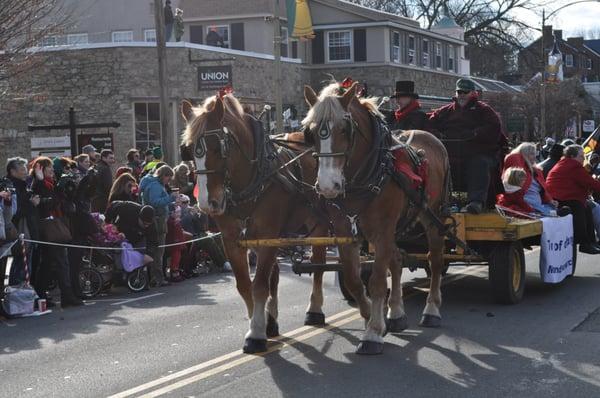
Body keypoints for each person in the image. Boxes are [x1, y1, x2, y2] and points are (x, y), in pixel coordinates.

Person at [428, 78, 507, 214]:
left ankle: (476, 202)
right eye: (459, 91)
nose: (462, 94)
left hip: (478, 153)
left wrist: (474, 134)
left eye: (465, 92)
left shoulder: (484, 110)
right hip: (451, 154)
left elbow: (494, 127)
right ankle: (441, 201)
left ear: (473, 93)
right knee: (436, 163)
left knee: (479, 163)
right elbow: (430, 124)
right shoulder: (445, 111)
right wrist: (439, 135)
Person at [30, 157, 82, 307]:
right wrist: (44, 183)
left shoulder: (50, 183)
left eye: (53, 169)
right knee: (61, 262)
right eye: (49, 169)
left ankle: (40, 295)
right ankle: (67, 296)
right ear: (40, 170)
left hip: (54, 225)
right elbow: (46, 204)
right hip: (48, 227)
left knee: (47, 264)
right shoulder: (39, 184)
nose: (52, 172)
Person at [546, 145, 600, 254]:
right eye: (581, 156)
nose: (584, 159)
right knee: (581, 207)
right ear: (572, 156)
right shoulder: (573, 165)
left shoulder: (563, 163)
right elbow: (590, 182)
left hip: (557, 197)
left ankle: (590, 242)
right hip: (563, 198)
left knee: (587, 207)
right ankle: (584, 242)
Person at [496, 143, 560, 216]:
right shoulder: (516, 163)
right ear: (524, 154)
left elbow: (543, 190)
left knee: (556, 210)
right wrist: (519, 154)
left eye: (535, 154)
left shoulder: (537, 171)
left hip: (536, 204)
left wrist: (550, 200)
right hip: (525, 204)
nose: (535, 156)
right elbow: (513, 157)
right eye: (532, 154)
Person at [139, 165, 177, 286]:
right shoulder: (155, 186)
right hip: (157, 220)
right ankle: (158, 279)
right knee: (158, 251)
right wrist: (170, 198)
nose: (169, 181)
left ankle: (154, 278)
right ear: (163, 175)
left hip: (157, 219)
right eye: (168, 177)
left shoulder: (153, 183)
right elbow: (155, 202)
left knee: (156, 250)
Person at [5, 157, 40, 284]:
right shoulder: (11, 187)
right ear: (13, 171)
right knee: (20, 270)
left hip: (27, 230)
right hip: (17, 231)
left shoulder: (22, 185)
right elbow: (14, 212)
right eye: (22, 169)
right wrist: (32, 204)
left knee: (26, 270)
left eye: (25, 168)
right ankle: (18, 300)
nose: (25, 171)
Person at [179, 195, 231, 273]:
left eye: (188, 202)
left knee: (217, 236)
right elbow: (181, 224)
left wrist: (200, 214)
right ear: (179, 203)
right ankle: (222, 264)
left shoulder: (191, 210)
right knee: (207, 240)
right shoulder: (178, 211)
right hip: (187, 237)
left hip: (197, 234)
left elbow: (201, 227)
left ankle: (226, 261)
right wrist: (190, 215)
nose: (187, 204)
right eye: (184, 202)